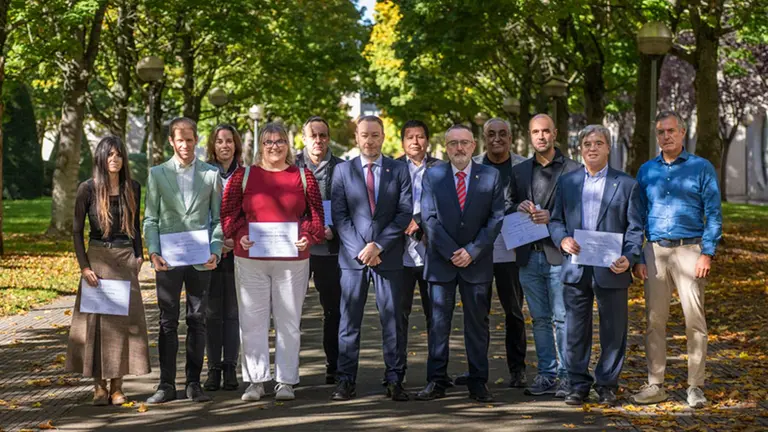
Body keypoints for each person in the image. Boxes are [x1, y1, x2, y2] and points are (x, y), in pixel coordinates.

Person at [221, 122, 325, 402]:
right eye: (268, 142)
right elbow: (229, 215)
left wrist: (306, 236)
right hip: (251, 259)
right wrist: (240, 235)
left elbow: (315, 216)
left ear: (288, 145)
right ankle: (255, 381)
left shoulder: (303, 176)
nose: (274, 146)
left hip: (292, 260)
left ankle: (286, 381)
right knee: (252, 321)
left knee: (288, 321)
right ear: (260, 146)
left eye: (279, 141)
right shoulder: (244, 176)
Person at [631, 111, 722, 409]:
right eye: (661, 132)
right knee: (654, 321)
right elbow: (637, 214)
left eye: (671, 130)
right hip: (655, 251)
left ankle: (695, 386)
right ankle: (656, 384)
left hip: (690, 250)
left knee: (694, 321)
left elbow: (714, 213)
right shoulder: (646, 171)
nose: (666, 136)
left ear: (683, 132)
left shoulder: (701, 167)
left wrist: (707, 252)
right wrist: (638, 256)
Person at [549, 125, 644, 406]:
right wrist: (562, 239)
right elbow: (555, 220)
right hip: (575, 268)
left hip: (612, 268)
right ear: (581, 149)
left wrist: (630, 255)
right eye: (587, 143)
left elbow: (636, 227)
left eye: (599, 143)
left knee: (614, 331)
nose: (592, 147)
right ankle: (577, 384)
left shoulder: (626, 184)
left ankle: (607, 385)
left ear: (608, 148)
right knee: (575, 330)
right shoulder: (567, 182)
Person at [415, 124, 504, 403]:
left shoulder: (491, 176)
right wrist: (454, 251)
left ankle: (478, 382)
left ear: (474, 145)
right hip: (442, 262)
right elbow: (428, 219)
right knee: (438, 323)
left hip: (476, 264)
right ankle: (436, 380)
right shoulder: (433, 175)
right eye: (453, 143)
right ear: (445, 147)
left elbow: (496, 218)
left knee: (477, 325)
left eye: (464, 143)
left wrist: (472, 251)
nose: (459, 148)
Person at [330, 115, 413, 402]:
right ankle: (345, 380)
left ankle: (394, 379)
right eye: (364, 135)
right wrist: (362, 250)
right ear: (356, 137)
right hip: (353, 260)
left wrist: (378, 246)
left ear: (383, 136)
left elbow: (404, 212)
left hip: (387, 258)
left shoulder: (399, 169)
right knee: (349, 321)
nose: (369, 140)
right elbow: (340, 216)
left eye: (375, 135)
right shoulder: (342, 171)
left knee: (392, 321)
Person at [144, 117, 223, 404]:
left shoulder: (211, 174)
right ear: (171, 141)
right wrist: (153, 252)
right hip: (168, 259)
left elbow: (217, 219)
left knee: (197, 319)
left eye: (190, 139)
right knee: (167, 321)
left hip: (201, 259)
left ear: (196, 140)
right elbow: (150, 218)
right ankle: (166, 385)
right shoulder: (157, 173)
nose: (185, 145)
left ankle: (193, 382)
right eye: (180, 139)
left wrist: (216, 249)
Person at [67, 136, 150, 406]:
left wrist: (139, 255)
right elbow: (77, 231)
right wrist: (84, 267)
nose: (114, 159)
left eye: (119, 155)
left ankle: (117, 387)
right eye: (109, 155)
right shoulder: (87, 189)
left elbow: (135, 225)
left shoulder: (132, 188)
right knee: (98, 323)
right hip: (98, 258)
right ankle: (99, 386)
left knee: (124, 324)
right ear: (101, 159)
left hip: (125, 258)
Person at [507, 114, 581, 397]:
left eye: (546, 131)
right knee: (538, 319)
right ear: (529, 134)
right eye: (535, 131)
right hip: (528, 255)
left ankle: (566, 375)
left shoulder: (574, 170)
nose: (540, 136)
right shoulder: (520, 170)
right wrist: (518, 207)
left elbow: (582, 214)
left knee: (562, 317)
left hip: (559, 255)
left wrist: (554, 217)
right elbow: (507, 205)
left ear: (555, 133)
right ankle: (546, 374)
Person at [457, 117, 527, 389]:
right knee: (477, 313)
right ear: (483, 139)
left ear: (510, 137)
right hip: (480, 250)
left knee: (514, 311)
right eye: (491, 135)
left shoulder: (523, 166)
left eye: (503, 134)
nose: (497, 139)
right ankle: (477, 371)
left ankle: (517, 369)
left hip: (512, 249)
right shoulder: (473, 166)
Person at [295, 116, 345, 384]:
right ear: (304, 138)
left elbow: (353, 206)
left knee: (333, 311)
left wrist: (334, 229)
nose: (318, 140)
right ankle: (288, 369)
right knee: (290, 311)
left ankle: (334, 366)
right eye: (313, 135)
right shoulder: (290, 166)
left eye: (323, 135)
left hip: (330, 250)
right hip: (296, 250)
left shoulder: (344, 168)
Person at [395, 120, 443, 383]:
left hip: (431, 254)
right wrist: (406, 221)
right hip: (399, 255)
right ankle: (396, 374)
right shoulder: (392, 168)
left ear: (428, 140)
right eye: (410, 137)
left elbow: (446, 206)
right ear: (403, 142)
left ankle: (436, 376)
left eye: (421, 137)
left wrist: (421, 221)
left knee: (435, 317)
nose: (415, 142)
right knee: (397, 317)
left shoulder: (441, 169)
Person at [203, 124, 243, 392]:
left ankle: (230, 367)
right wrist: (216, 243)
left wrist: (234, 241)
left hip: (238, 252)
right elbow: (197, 213)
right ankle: (213, 368)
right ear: (213, 146)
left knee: (233, 312)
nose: (225, 145)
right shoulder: (203, 174)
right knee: (211, 312)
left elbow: (250, 213)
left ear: (236, 144)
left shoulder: (247, 174)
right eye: (220, 141)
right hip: (208, 252)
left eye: (229, 141)